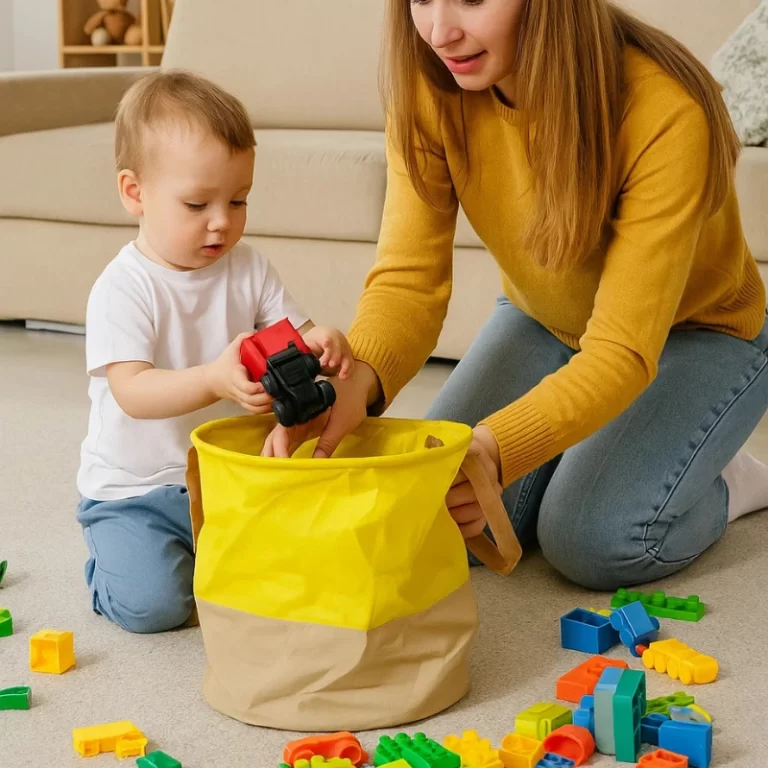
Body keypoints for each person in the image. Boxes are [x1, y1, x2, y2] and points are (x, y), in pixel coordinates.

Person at [263, 0, 768, 589]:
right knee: (441, 515)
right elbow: (408, 282)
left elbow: (620, 350)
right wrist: (357, 381)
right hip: (542, 320)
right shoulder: (429, 85)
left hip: (697, 333)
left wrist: (498, 448)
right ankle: (612, 455)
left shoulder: (665, 110)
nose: (439, 32)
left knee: (589, 540)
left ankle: (723, 476)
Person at [76, 70, 353, 633]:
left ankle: (210, 555)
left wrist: (323, 340)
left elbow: (293, 339)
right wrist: (211, 379)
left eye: (238, 200)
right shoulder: (124, 287)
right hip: (137, 491)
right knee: (156, 607)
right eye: (197, 203)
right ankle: (107, 571)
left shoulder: (248, 267)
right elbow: (132, 392)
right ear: (135, 193)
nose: (222, 222)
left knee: (303, 571)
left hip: (232, 479)